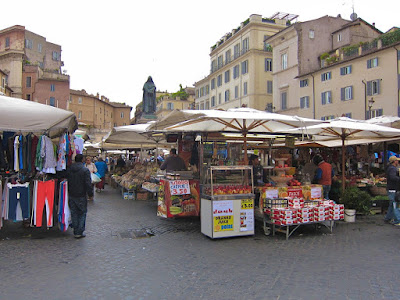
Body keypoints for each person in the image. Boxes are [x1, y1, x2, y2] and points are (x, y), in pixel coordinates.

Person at [66, 154, 93, 238]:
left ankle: (75, 230)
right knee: (82, 213)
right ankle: (79, 232)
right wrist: (90, 194)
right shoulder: (85, 170)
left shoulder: (69, 169)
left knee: (74, 212)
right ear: (82, 160)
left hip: (71, 193)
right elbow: (88, 183)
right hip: (81, 194)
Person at [384, 155, 400, 225]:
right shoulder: (393, 169)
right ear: (394, 161)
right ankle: (397, 220)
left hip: (391, 188)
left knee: (391, 204)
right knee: (395, 204)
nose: (398, 161)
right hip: (393, 189)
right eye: (397, 160)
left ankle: (388, 218)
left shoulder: (391, 168)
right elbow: (393, 177)